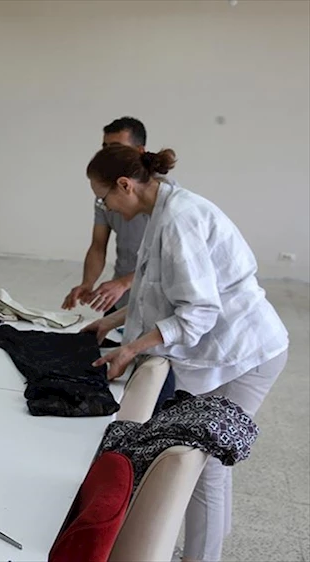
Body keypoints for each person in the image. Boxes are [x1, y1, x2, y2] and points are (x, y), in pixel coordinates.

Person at [82, 145, 289, 562]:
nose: (107, 208)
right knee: (209, 464)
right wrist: (112, 322)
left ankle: (201, 557)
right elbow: (157, 291)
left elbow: (198, 311)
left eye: (103, 198)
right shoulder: (162, 210)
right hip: (224, 352)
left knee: (204, 464)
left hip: (245, 354)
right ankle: (203, 550)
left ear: (125, 185)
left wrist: (132, 348)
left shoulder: (179, 219)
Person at [62, 116, 149, 314]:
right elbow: (98, 245)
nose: (108, 154)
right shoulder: (104, 195)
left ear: (139, 151)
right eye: (105, 147)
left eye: (116, 147)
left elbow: (166, 264)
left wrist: (124, 283)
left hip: (155, 301)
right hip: (120, 299)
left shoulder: (164, 202)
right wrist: (87, 283)